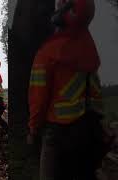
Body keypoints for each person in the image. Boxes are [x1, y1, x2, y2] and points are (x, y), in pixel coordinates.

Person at [27, 0, 108, 179]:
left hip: (59, 134)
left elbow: (38, 98)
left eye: (59, 3)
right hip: (90, 130)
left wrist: (33, 130)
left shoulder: (48, 51)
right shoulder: (90, 49)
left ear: (65, 12)